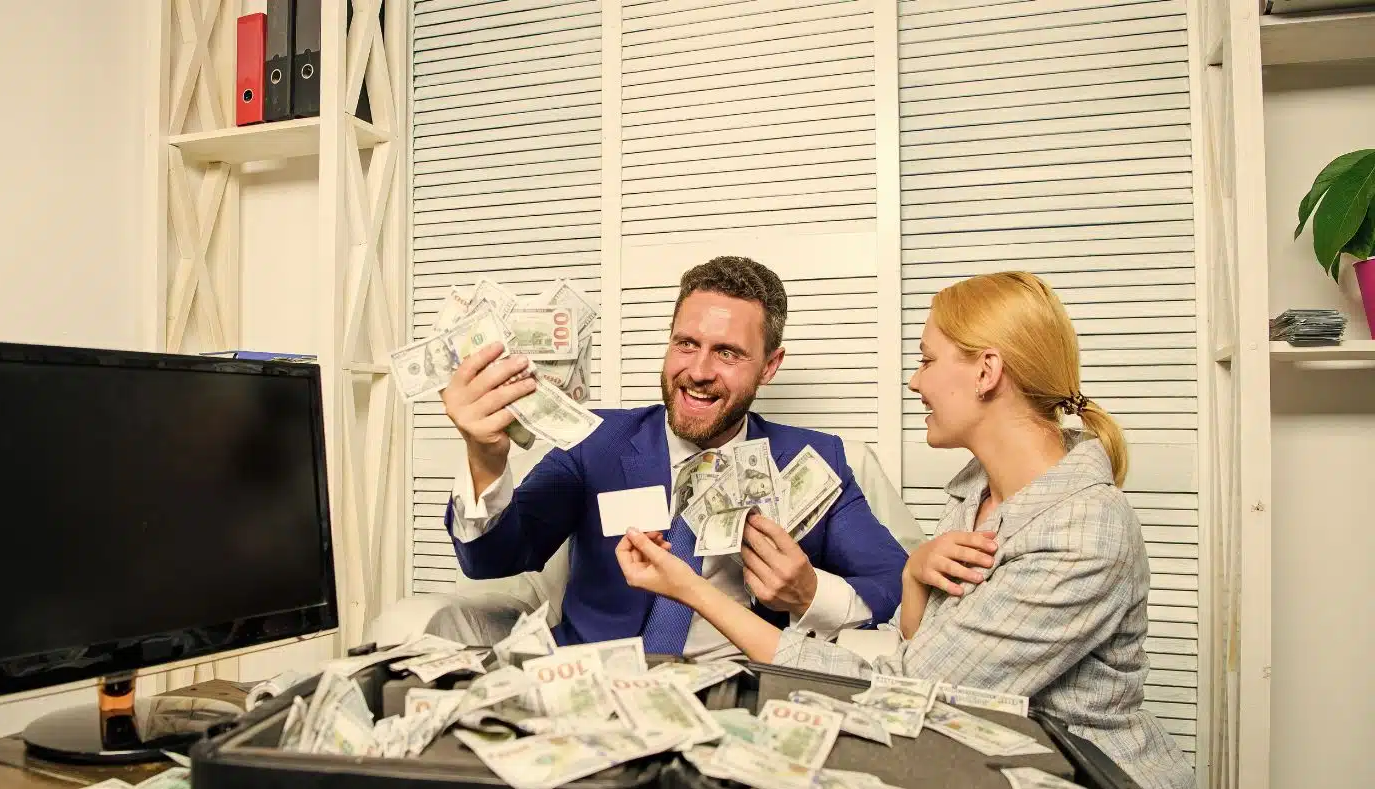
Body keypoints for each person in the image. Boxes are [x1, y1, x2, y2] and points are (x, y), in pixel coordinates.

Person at [615, 271, 1195, 789]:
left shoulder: (1083, 534)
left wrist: (695, 590)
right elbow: (925, 648)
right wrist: (916, 577)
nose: (915, 383)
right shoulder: (975, 491)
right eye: (685, 343)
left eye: (926, 360)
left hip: (1077, 767)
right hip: (965, 749)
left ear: (987, 371)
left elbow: (906, 688)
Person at [441, 256, 909, 659]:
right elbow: (492, 560)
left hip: (735, 692)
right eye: (686, 344)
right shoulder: (596, 441)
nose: (698, 371)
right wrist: (485, 456)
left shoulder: (814, 460)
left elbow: (895, 584)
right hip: (600, 688)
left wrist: (808, 593)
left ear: (769, 366)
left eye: (727, 353)